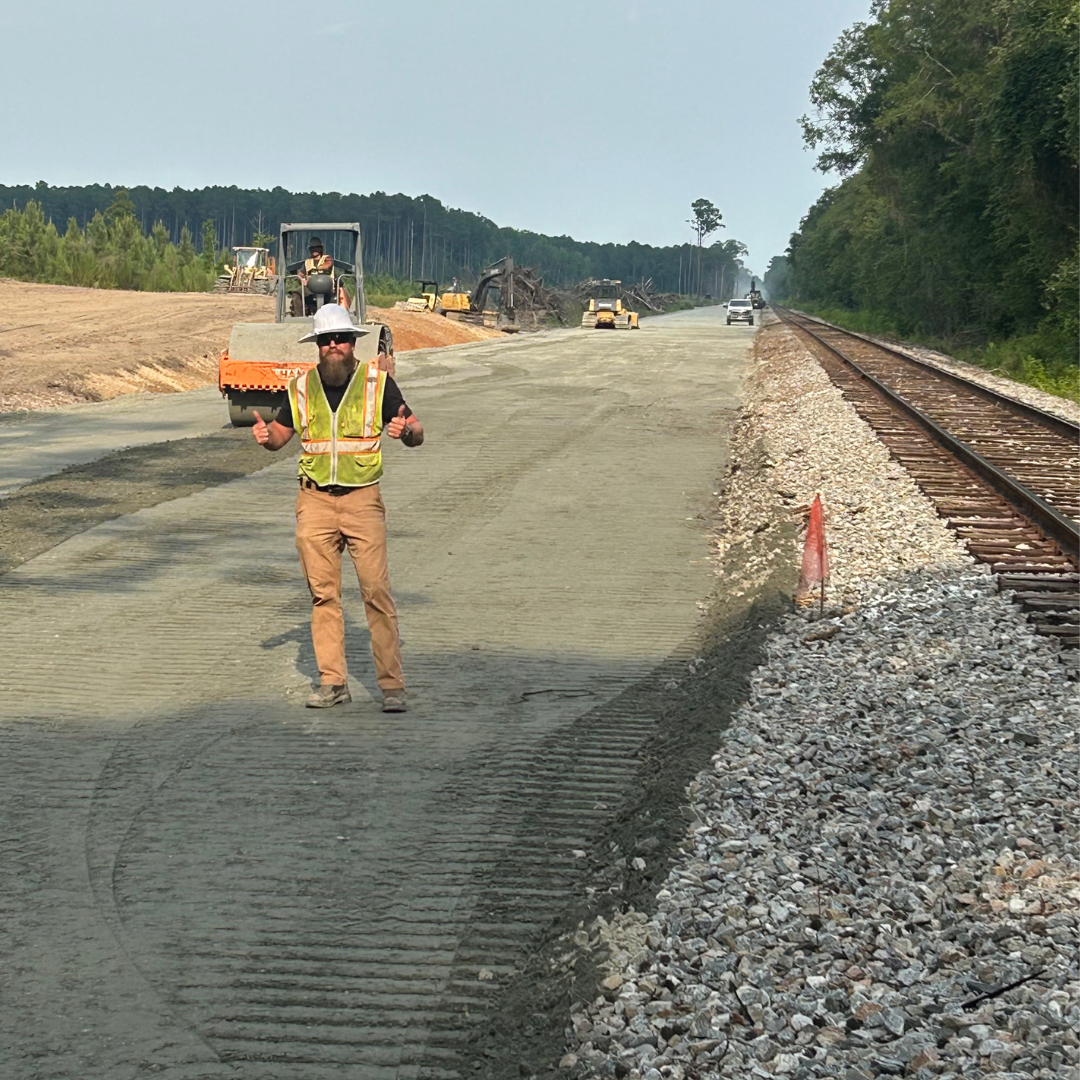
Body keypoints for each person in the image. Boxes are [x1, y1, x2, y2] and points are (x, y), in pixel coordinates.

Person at [251, 304, 424, 712]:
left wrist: (406, 433)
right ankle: (333, 682)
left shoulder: (378, 385)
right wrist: (265, 437)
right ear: (316, 345)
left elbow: (415, 428)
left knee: (376, 593)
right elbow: (281, 434)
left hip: (362, 500)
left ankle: (392, 687)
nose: (333, 346)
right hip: (313, 502)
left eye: (341, 339)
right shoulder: (299, 387)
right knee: (322, 595)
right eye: (326, 340)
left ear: (352, 344)